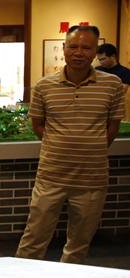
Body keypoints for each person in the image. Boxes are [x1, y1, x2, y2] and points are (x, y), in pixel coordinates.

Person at [16, 25, 125, 264]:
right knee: (33, 240)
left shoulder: (113, 85)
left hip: (92, 179)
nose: (79, 52)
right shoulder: (44, 86)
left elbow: (112, 128)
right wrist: (60, 144)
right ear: (64, 48)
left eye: (86, 47)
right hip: (51, 176)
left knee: (78, 245)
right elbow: (38, 126)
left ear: (95, 50)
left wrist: (90, 147)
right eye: (73, 46)